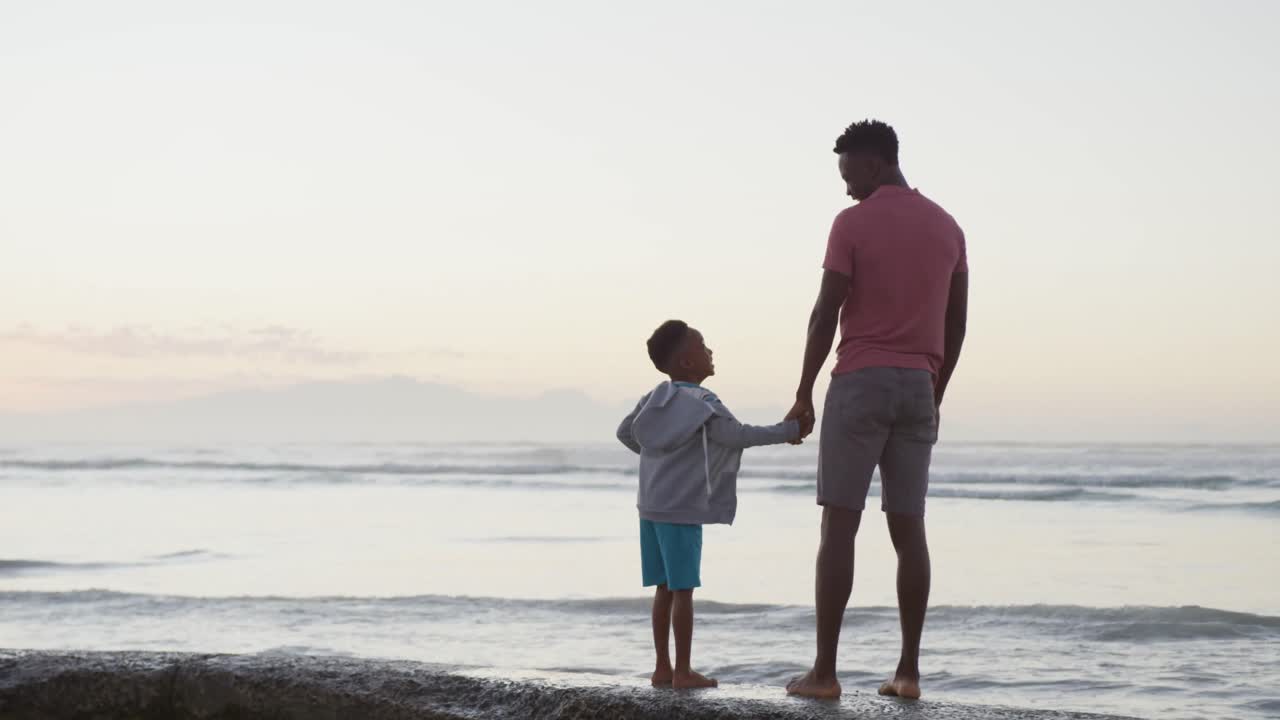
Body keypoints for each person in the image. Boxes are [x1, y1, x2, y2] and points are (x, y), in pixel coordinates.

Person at [784, 120, 969, 701]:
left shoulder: (852, 224)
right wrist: (935, 385)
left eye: (848, 175)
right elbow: (956, 321)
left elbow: (825, 312)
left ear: (874, 163)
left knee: (840, 523)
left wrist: (804, 389)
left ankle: (825, 673)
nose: (845, 189)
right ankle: (908, 673)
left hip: (861, 381)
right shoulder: (948, 227)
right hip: (919, 384)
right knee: (909, 528)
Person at [617, 320, 813, 689]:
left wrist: (659, 458)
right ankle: (684, 671)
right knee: (684, 591)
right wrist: (789, 431)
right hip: (682, 509)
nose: (710, 350)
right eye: (703, 344)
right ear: (688, 362)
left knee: (662, 589)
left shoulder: (654, 398)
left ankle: (662, 668)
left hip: (650, 506)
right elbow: (738, 436)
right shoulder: (705, 403)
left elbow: (626, 432)